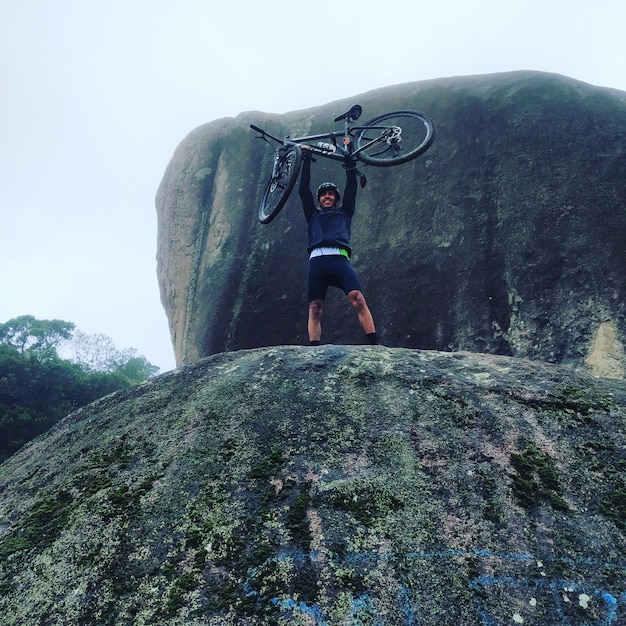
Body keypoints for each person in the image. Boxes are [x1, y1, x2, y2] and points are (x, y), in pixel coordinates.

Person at [299, 145, 378, 346]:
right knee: (315, 307)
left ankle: (374, 344)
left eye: (331, 194)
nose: (327, 196)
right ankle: (314, 350)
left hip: (339, 259)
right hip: (317, 261)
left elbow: (351, 189)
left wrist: (350, 159)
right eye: (324, 194)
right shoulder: (313, 215)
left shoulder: (345, 212)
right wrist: (306, 159)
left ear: (335, 198)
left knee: (358, 298)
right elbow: (303, 190)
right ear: (319, 199)